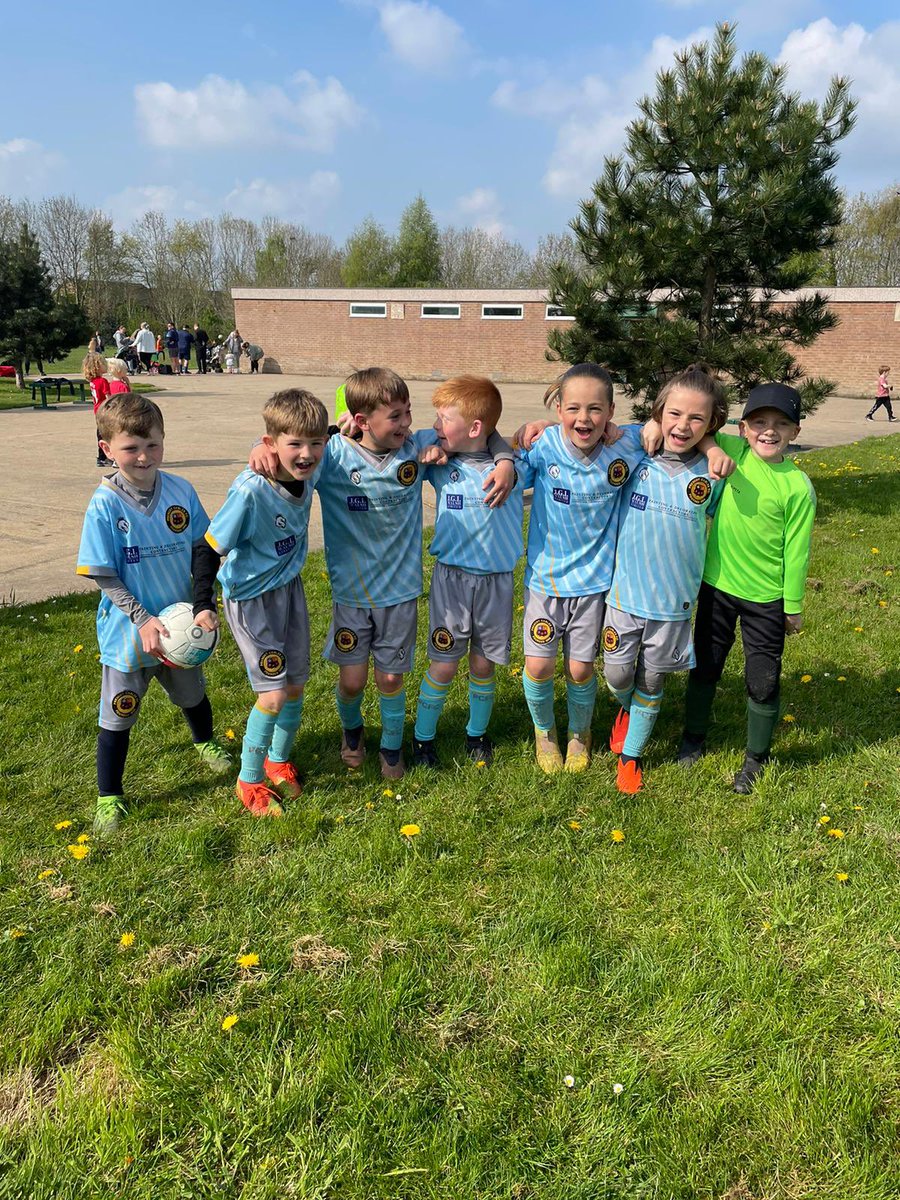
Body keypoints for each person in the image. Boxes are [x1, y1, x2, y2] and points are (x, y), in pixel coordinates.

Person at [249, 366, 515, 780]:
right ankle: (352, 731)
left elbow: (484, 433)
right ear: (360, 421)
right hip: (352, 595)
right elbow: (295, 454)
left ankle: (392, 747)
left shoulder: (417, 447)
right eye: (396, 416)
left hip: (401, 593)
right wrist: (260, 448)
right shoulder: (333, 455)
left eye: (408, 412)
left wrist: (506, 459)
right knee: (353, 682)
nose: (408, 423)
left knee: (390, 678)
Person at [75, 394, 231, 835]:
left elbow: (205, 548)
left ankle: (204, 743)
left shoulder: (180, 491)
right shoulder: (105, 503)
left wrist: (205, 603)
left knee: (192, 692)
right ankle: (109, 796)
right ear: (107, 448)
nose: (144, 457)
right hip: (130, 631)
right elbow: (103, 574)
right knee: (119, 710)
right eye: (131, 448)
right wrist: (142, 619)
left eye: (153, 445)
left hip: (181, 626)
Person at [670, 383, 817, 793]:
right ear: (744, 428)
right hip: (717, 588)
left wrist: (792, 605)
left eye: (780, 424)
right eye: (759, 423)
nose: (768, 432)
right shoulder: (734, 454)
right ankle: (693, 739)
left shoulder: (797, 486)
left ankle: (756, 757)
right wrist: (715, 450)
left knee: (762, 680)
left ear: (795, 432)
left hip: (766, 599)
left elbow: (798, 551)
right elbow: (703, 434)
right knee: (706, 666)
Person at [602, 365, 730, 794]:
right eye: (674, 414)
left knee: (652, 680)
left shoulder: (713, 476)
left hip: (674, 603)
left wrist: (712, 448)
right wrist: (649, 423)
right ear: (660, 412)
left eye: (697, 419)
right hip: (624, 594)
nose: (683, 425)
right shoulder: (639, 453)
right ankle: (626, 710)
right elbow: (605, 428)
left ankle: (631, 756)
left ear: (712, 423)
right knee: (618, 676)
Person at [205, 390, 329, 817]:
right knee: (273, 695)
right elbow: (208, 549)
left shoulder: (310, 466)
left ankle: (278, 760)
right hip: (251, 599)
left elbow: (334, 430)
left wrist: (320, 436)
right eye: (293, 443)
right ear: (271, 442)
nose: (307, 453)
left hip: (289, 590)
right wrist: (203, 604)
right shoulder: (250, 491)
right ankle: (250, 779)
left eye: (315, 443)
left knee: (294, 685)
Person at [411, 377, 526, 768]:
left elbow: (528, 440)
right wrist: (430, 443)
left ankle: (476, 735)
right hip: (452, 581)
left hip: (496, 582)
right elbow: (397, 437)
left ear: (475, 428)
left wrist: (507, 458)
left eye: (444, 419)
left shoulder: (517, 467)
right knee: (443, 665)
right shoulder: (440, 462)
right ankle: (422, 740)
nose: (437, 426)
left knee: (482, 664)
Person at [83, 351, 115, 467]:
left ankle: (101, 457)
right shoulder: (103, 381)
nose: (105, 366)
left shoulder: (93, 381)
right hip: (104, 410)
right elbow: (108, 398)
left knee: (101, 433)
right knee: (108, 434)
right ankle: (106, 456)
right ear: (97, 367)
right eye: (102, 364)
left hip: (97, 410)